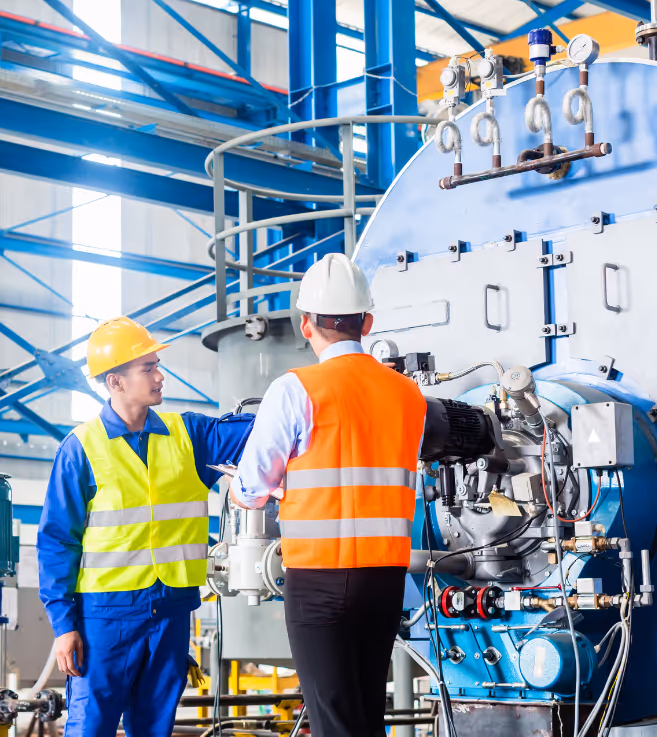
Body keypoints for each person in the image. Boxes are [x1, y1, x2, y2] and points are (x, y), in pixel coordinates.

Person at [229, 253, 427, 737]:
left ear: (305, 325)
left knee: (333, 719)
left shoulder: (295, 389)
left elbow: (252, 487)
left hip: (318, 580)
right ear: (368, 322)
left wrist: (250, 489)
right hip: (384, 579)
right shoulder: (409, 395)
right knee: (364, 717)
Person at [37, 316, 253, 737]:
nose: (159, 376)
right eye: (148, 369)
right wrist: (64, 626)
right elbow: (57, 542)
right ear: (115, 381)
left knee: (155, 728)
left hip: (171, 612)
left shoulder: (187, 435)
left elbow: (258, 432)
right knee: (91, 726)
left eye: (157, 365)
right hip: (104, 617)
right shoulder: (81, 449)